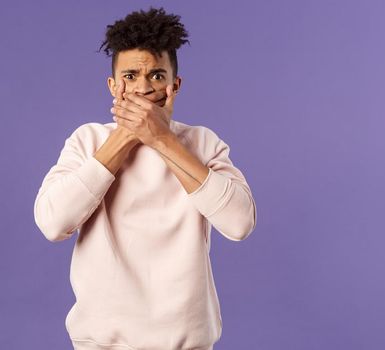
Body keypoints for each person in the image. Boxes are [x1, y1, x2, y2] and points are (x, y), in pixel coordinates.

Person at [32, 6, 257, 349]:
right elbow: (53, 222)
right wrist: (125, 136)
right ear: (112, 86)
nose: (142, 88)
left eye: (155, 76)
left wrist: (162, 140)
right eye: (130, 76)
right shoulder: (87, 140)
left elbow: (239, 222)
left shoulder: (202, 142)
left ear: (174, 85)